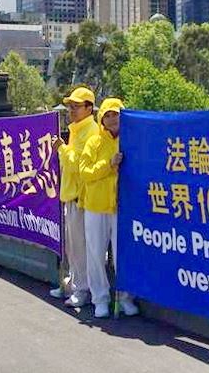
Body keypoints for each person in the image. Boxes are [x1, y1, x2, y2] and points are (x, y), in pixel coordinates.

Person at [80, 98, 139, 319]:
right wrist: (109, 165)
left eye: (116, 114)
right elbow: (85, 172)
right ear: (101, 118)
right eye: (108, 115)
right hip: (96, 205)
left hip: (122, 206)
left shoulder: (131, 140)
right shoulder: (94, 143)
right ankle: (100, 299)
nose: (113, 118)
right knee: (96, 253)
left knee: (123, 253)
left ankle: (125, 298)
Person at [50, 86, 100, 307]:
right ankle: (74, 283)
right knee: (72, 246)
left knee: (80, 246)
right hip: (72, 195)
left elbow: (76, 165)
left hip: (82, 197)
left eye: (76, 106)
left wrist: (61, 148)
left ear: (89, 108)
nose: (71, 109)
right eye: (70, 106)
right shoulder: (79, 129)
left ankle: (83, 289)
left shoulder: (90, 132)